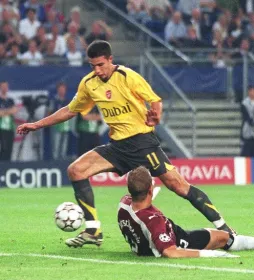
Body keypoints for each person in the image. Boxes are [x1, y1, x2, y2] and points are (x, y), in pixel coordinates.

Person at [17, 40, 234, 248]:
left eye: (101, 65)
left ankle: (224, 228)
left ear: (110, 59)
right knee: (76, 170)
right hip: (117, 147)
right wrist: (37, 124)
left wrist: (156, 116)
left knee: (178, 186)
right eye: (93, 66)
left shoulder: (127, 76)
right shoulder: (89, 83)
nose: (98, 70)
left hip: (142, 143)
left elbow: (155, 100)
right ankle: (93, 231)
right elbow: (70, 110)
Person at [118, 166, 254, 257]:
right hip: (182, 240)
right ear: (149, 190)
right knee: (224, 237)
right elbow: (170, 252)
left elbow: (139, 210)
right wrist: (210, 254)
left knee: (216, 235)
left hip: (145, 242)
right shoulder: (153, 221)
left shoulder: (124, 204)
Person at [48, 82, 70, 159]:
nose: (62, 91)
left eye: (63, 89)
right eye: (60, 89)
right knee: (56, 147)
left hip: (66, 126)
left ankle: (62, 163)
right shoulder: (54, 101)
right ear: (57, 90)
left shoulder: (68, 101)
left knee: (64, 147)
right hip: (56, 126)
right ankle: (55, 163)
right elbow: (49, 113)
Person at [0, 80, 17, 161]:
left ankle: (8, 165)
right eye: (3, 86)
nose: (4, 88)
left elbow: (15, 111)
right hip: (1, 128)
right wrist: (9, 111)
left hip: (10, 128)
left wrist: (4, 111)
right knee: (3, 147)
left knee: (9, 148)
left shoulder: (10, 100)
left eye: (6, 86)